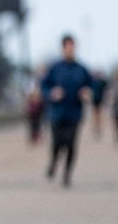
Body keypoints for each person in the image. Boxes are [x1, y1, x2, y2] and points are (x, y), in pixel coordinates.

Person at [40, 34, 93, 188]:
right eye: (67, 47)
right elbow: (44, 86)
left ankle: (67, 173)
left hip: (74, 113)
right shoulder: (55, 68)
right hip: (57, 113)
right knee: (57, 143)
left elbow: (91, 86)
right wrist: (51, 93)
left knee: (70, 144)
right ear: (63, 48)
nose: (70, 49)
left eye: (72, 47)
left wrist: (87, 92)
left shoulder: (81, 69)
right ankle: (54, 162)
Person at [89, 70, 109, 139]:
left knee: (99, 115)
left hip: (100, 101)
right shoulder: (93, 82)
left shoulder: (101, 82)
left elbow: (106, 86)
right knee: (95, 115)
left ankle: (99, 128)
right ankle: (96, 128)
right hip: (95, 101)